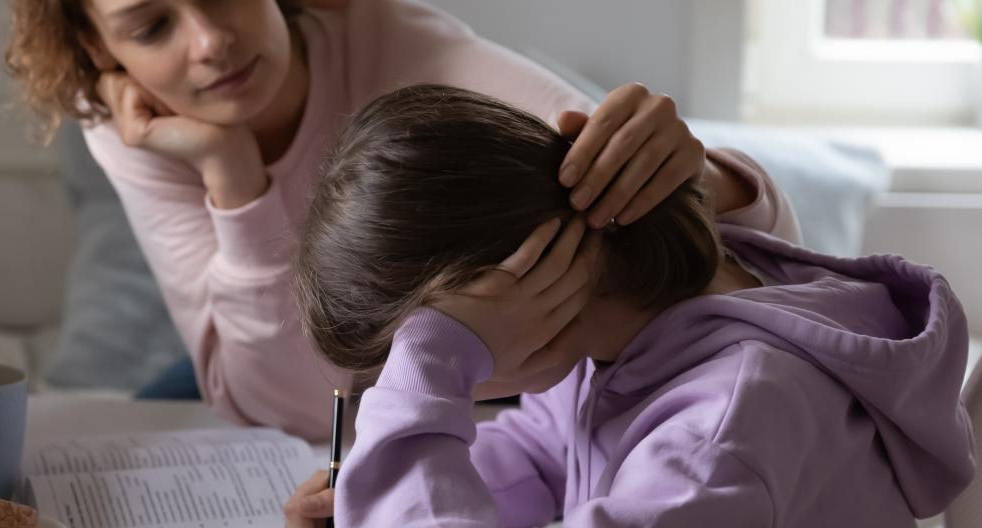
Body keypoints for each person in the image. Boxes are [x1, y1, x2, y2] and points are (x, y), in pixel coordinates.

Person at [6, 0, 800, 440]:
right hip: (317, 370)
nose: (210, 41)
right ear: (98, 46)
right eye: (152, 27)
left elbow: (678, 244)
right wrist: (232, 177)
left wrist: (707, 176)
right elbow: (277, 406)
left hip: (482, 374)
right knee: (125, 444)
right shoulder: (138, 127)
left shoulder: (400, 45)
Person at [283, 84, 975, 527]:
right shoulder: (634, 321)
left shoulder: (720, 436)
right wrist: (369, 494)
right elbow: (545, 449)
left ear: (502, 294)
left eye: (412, 355)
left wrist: (425, 390)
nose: (416, 381)